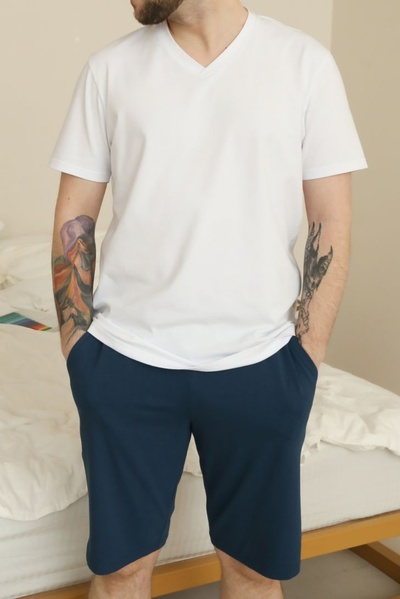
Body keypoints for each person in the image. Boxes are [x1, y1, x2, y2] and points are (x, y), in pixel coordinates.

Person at [50, 0, 367, 597]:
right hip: (126, 360)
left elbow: (331, 221)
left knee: (253, 572)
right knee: (120, 571)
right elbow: (76, 216)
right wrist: (79, 351)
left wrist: (305, 356)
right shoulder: (109, 70)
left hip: (262, 362)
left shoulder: (305, 65)